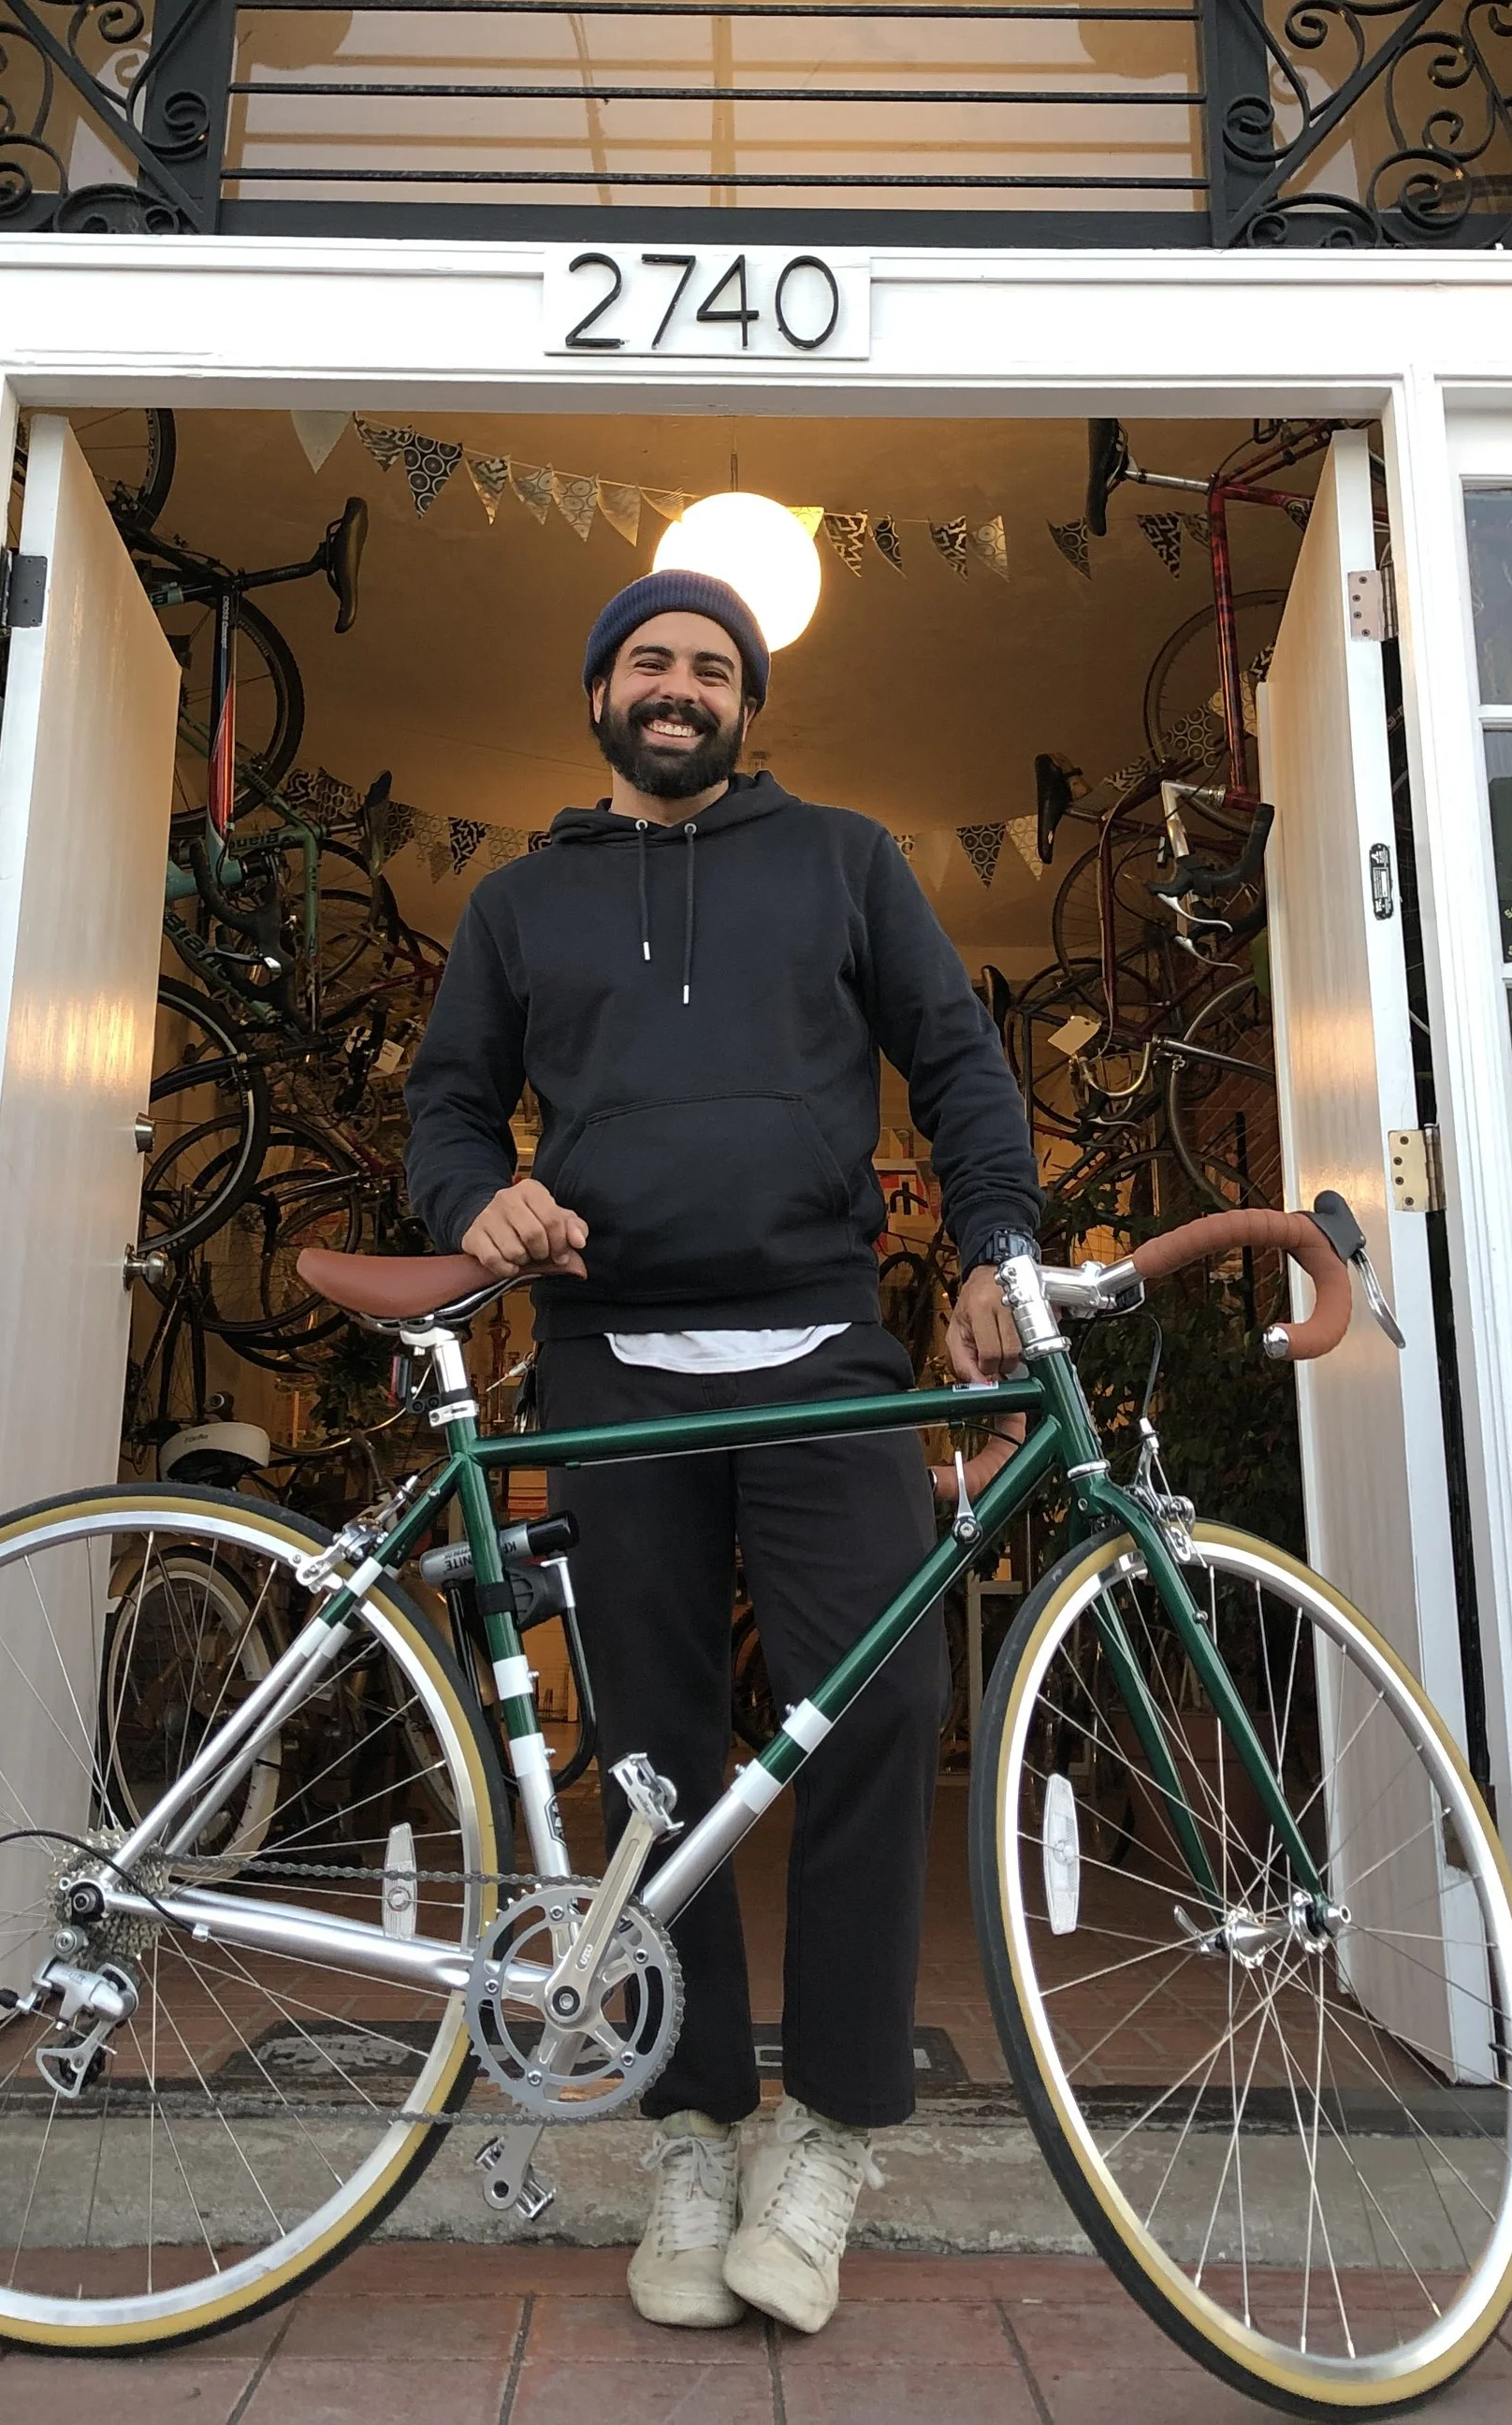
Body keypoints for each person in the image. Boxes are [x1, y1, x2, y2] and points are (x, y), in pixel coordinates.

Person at [405, 568, 1042, 2335]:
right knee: (659, 1755)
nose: (679, 687)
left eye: (711, 666)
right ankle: (690, 2130)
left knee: (883, 1709)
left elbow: (956, 1060)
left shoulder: (844, 858)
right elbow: (448, 1104)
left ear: (746, 705)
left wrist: (994, 1245)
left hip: (828, 1354)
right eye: (647, 662)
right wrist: (480, 1198)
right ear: (598, 693)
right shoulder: (520, 904)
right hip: (612, 1363)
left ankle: (829, 2129)